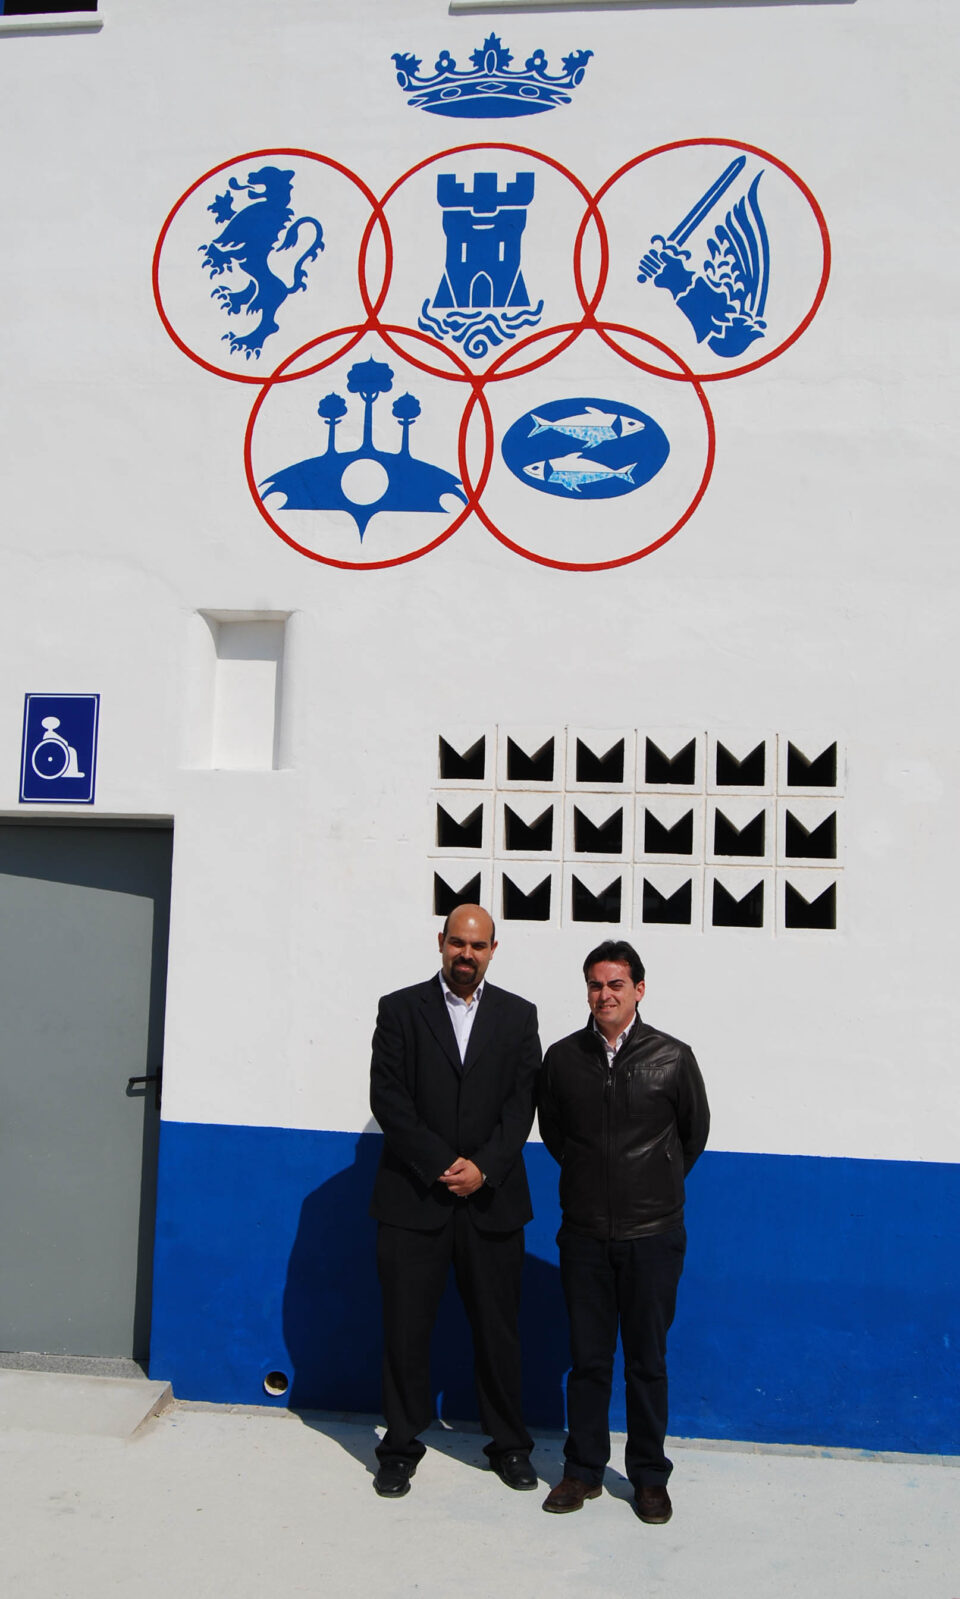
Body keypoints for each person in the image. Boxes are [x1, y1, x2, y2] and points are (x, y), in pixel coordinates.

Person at [369, 903, 541, 1498]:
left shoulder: (520, 1017)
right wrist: (444, 1165)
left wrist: (485, 1168)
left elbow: (522, 1106)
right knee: (405, 1331)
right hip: (415, 1199)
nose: (466, 955)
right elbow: (388, 1099)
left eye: (478, 945)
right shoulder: (399, 1010)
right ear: (441, 942)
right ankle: (399, 1446)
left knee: (498, 1331)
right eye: (457, 944)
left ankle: (510, 1446)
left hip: (491, 1203)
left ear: (494, 950)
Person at [537, 939, 709, 1524]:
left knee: (646, 1361)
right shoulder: (561, 1060)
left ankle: (649, 1477)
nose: (604, 994)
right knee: (587, 1361)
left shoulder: (673, 1057)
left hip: (653, 1236)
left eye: (615, 983)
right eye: (594, 984)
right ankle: (582, 1471)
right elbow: (558, 1137)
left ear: (638, 988)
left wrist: (649, 1187)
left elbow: (691, 1136)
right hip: (584, 1235)